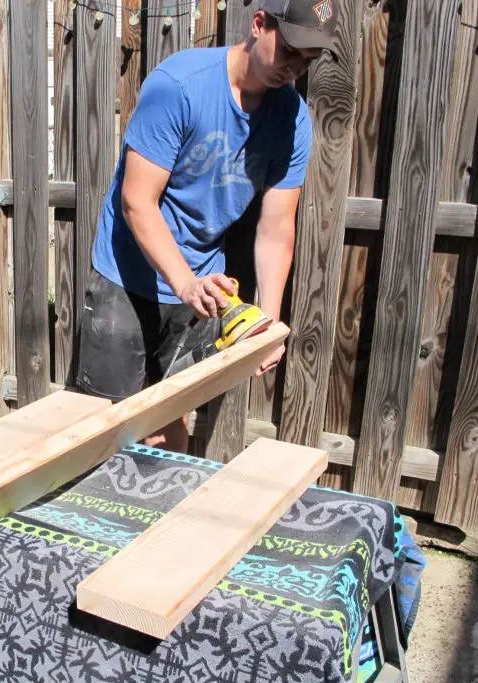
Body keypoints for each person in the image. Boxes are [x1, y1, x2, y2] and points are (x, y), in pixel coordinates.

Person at [75, 0, 339, 452]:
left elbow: (276, 228)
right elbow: (138, 201)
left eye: (306, 60)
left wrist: (270, 326)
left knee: (169, 419)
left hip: (202, 283)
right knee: (101, 428)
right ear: (259, 25)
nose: (294, 69)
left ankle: (162, 516)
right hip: (127, 277)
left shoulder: (293, 121)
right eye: (289, 51)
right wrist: (184, 283)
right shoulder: (179, 86)